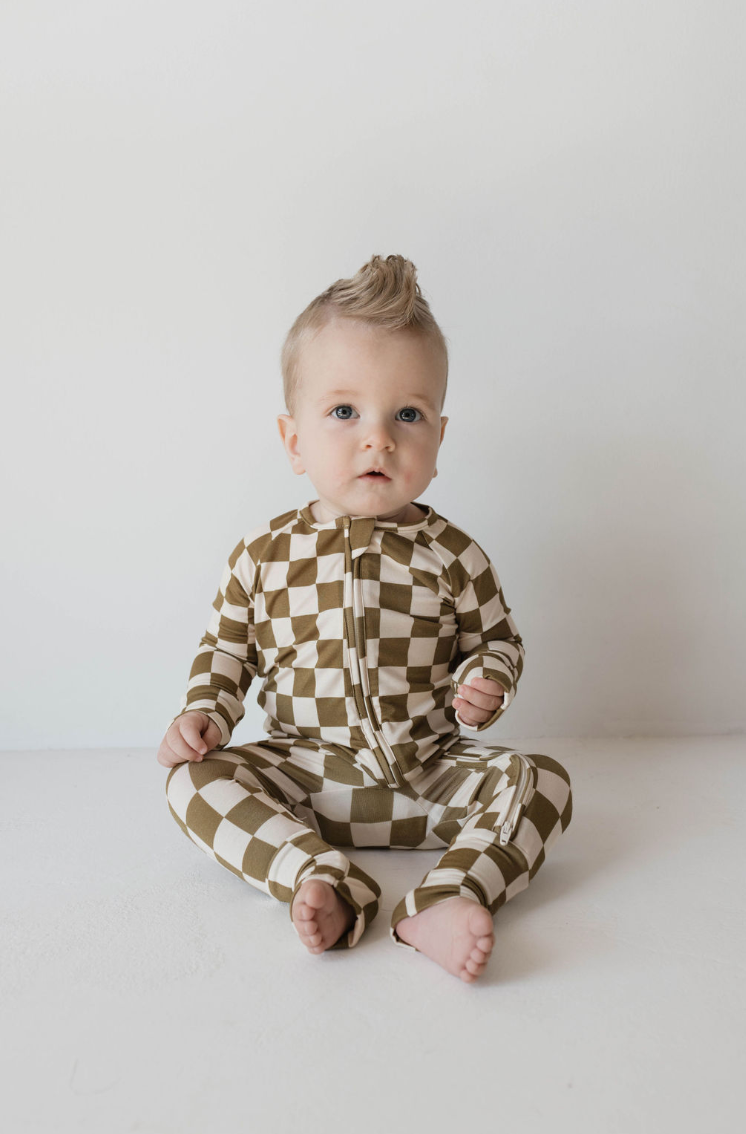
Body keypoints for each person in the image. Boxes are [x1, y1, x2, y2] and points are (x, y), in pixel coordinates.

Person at [158, 253, 572, 983]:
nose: (377, 437)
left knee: (545, 783)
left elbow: (497, 641)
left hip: (429, 774)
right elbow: (228, 649)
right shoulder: (263, 555)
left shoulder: (453, 555)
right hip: (306, 779)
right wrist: (205, 713)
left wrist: (486, 679)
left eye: (406, 414)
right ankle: (322, 881)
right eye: (344, 412)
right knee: (191, 784)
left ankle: (445, 897)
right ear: (294, 440)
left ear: (438, 438)